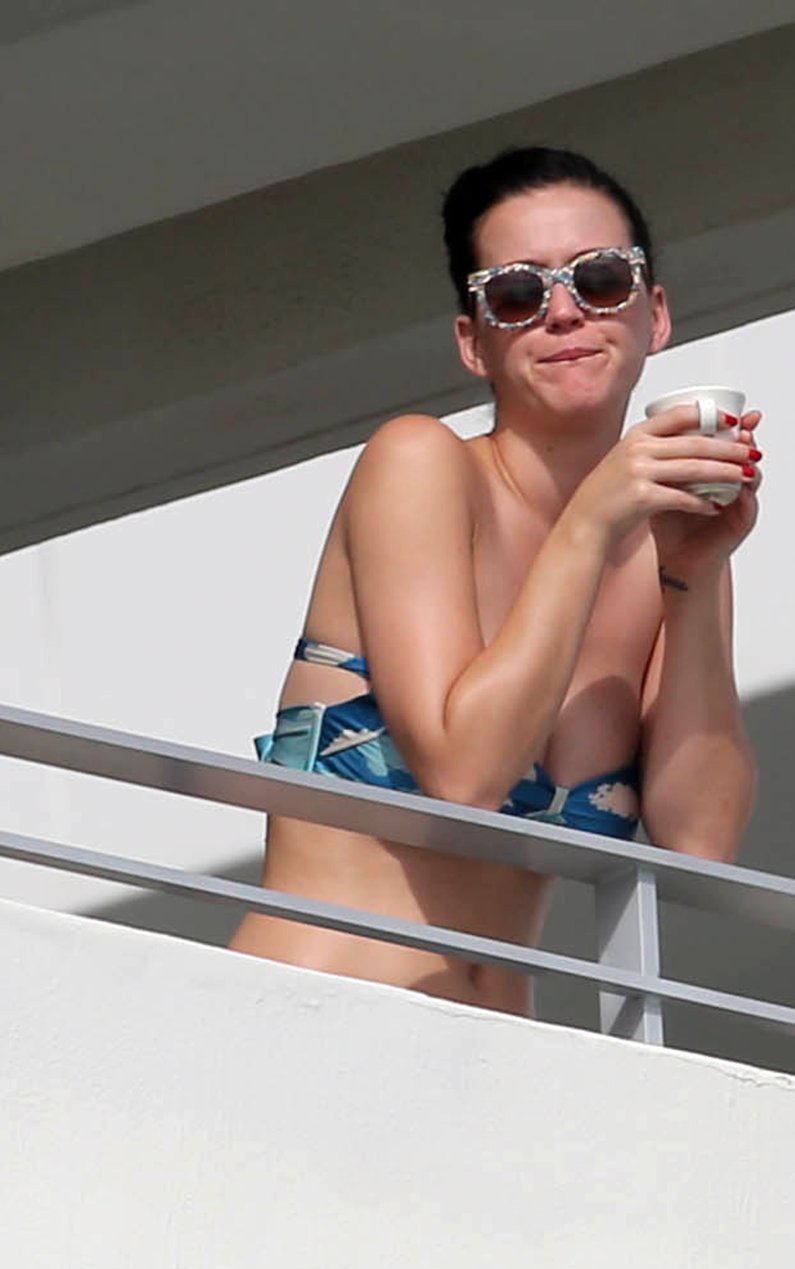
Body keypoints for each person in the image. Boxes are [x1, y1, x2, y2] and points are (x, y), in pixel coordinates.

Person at [229, 146, 762, 1017]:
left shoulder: (663, 542)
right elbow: (464, 776)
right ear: (474, 342)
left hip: (497, 1051)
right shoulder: (419, 465)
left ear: (655, 315)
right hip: (309, 1020)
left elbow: (699, 844)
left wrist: (695, 581)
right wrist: (590, 524)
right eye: (516, 293)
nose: (564, 313)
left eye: (600, 279)